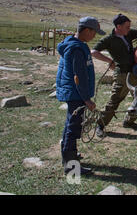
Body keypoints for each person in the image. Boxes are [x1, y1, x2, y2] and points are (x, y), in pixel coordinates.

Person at [56, 16, 105, 175]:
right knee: (73, 127)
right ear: (86, 30)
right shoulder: (76, 49)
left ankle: (69, 155)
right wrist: (86, 99)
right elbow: (79, 77)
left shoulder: (73, 44)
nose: (94, 36)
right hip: (76, 94)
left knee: (70, 123)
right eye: (94, 32)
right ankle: (71, 167)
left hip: (73, 92)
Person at [91, 14, 137, 137]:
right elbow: (94, 52)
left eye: (130, 26)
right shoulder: (109, 39)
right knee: (115, 100)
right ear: (118, 26)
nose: (129, 29)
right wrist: (109, 61)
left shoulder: (129, 34)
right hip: (122, 74)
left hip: (136, 73)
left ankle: (129, 121)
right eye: (127, 27)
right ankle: (100, 125)